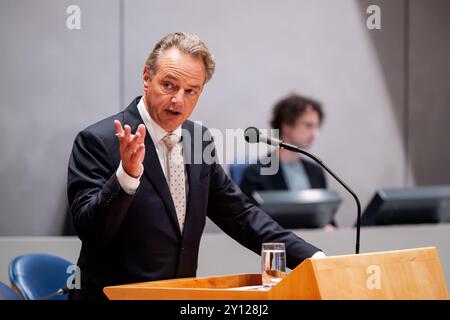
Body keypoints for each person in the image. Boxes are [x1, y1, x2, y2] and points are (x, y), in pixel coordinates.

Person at [67, 32, 324, 300]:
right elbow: (89, 231)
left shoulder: (198, 140)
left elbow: (240, 215)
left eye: (191, 91)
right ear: (146, 77)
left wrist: (312, 258)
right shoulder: (98, 140)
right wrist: (127, 177)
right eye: (169, 85)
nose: (179, 99)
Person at [239, 94, 336, 229]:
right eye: (308, 125)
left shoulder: (316, 171)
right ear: (287, 125)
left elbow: (327, 217)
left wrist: (330, 226)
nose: (314, 134)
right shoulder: (256, 173)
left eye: (316, 127)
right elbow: (248, 222)